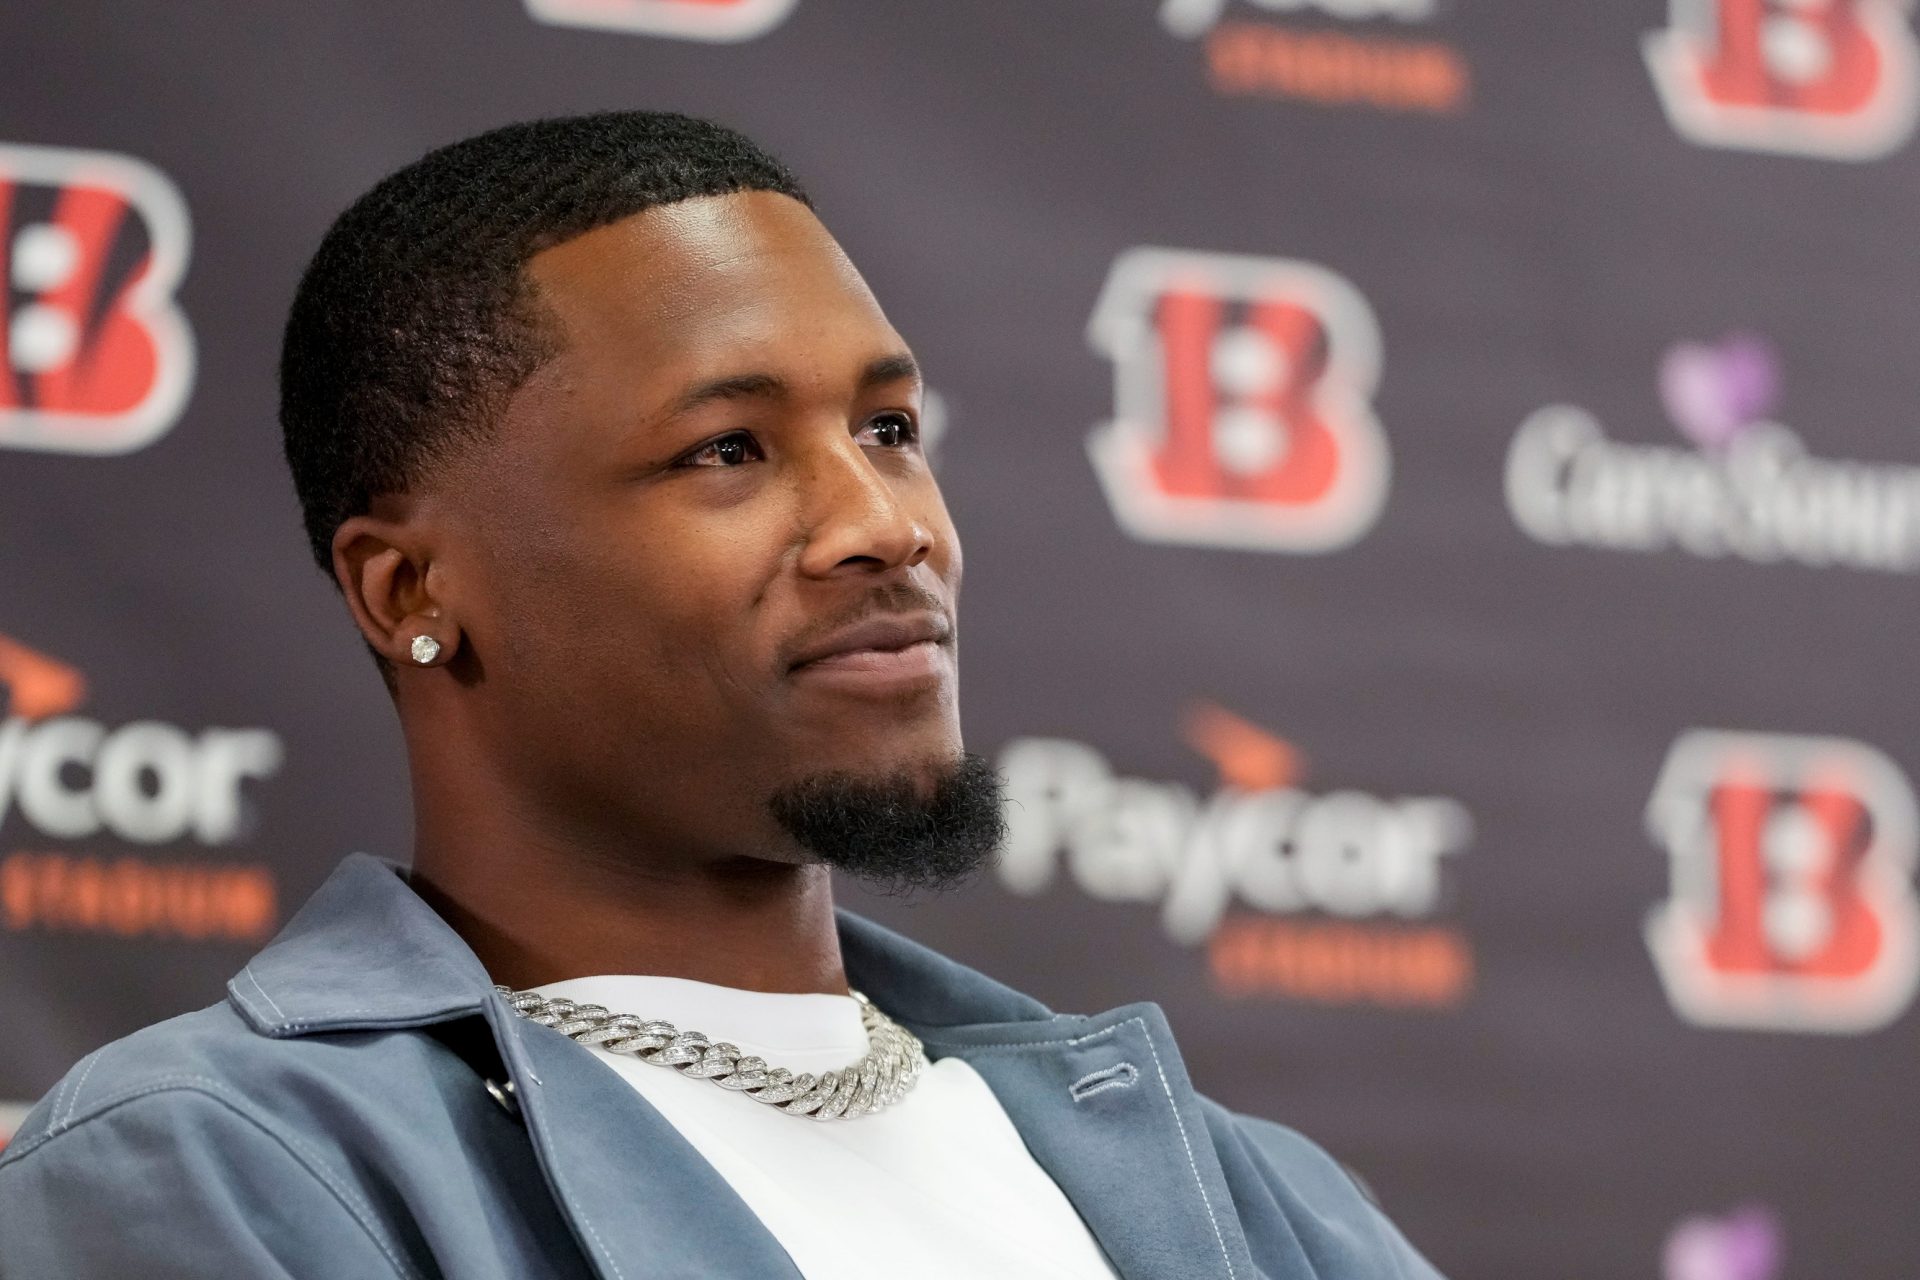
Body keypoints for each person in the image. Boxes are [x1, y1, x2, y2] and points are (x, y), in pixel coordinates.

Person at [0, 112, 1444, 1280]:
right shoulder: (224, 1172)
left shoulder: (1255, 1198)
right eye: (728, 451)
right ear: (409, 593)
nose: (886, 521)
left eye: (889, 427)